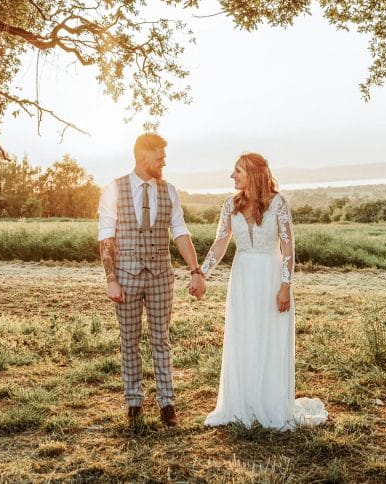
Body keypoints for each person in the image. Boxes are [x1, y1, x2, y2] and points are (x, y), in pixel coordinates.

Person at [199, 152, 327, 430]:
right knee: (244, 335)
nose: (232, 176)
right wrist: (202, 272)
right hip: (243, 275)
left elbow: (288, 248)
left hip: (271, 275)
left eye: (237, 171)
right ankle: (241, 403)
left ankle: (269, 403)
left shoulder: (279, 203)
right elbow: (221, 241)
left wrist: (285, 286)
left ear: (254, 174)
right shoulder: (230, 204)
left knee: (269, 337)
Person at [97, 133, 206, 427]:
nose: (164, 162)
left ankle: (167, 404)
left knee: (161, 340)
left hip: (161, 276)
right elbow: (106, 237)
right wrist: (111, 279)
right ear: (144, 157)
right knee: (129, 341)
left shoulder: (169, 191)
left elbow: (180, 233)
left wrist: (195, 271)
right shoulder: (114, 190)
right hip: (126, 277)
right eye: (160, 157)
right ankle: (134, 403)